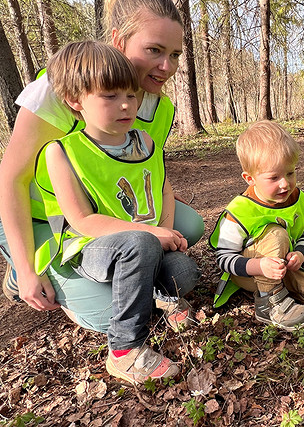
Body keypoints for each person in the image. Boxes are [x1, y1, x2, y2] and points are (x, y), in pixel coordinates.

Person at [0, 0, 204, 334]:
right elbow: (11, 180)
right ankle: (26, 265)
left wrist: (161, 228)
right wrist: (27, 267)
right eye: (154, 50)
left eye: (175, 54)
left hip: (105, 211)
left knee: (188, 226)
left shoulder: (159, 105)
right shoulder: (60, 90)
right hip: (44, 216)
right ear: (119, 41)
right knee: (109, 312)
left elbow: (142, 170)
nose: (167, 66)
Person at [33, 40, 199, 384]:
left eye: (131, 95)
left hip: (143, 244)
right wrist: (153, 235)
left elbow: (162, 188)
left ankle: (153, 296)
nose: (125, 105)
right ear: (75, 101)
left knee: (184, 271)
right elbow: (81, 220)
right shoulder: (62, 152)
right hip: (93, 247)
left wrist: (166, 232)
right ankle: (124, 351)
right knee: (138, 244)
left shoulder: (145, 142)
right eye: (109, 97)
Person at [209, 121, 304, 331]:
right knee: (276, 234)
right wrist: (260, 266)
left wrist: (301, 255)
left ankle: (282, 288)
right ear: (250, 179)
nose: (284, 183)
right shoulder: (240, 210)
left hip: (282, 266)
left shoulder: (298, 199)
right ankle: (270, 302)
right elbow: (223, 258)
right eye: (274, 177)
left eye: (290, 173)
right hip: (248, 272)